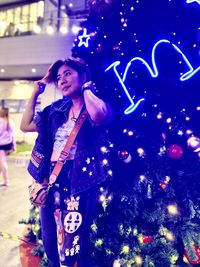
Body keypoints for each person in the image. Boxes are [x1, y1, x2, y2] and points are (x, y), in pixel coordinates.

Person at [20, 57, 111, 267]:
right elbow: (25, 125)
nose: (62, 80)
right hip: (51, 177)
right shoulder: (55, 111)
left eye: (68, 73)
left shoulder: (93, 105)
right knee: (51, 242)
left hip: (80, 179)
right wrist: (35, 93)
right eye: (59, 77)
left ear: (82, 75)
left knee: (76, 245)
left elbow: (99, 116)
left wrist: (87, 88)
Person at [0, 107, 16, 186]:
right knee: (1, 162)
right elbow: (13, 135)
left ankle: (6, 181)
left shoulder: (0, 121)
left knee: (2, 162)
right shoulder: (10, 121)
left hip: (1, 145)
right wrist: (14, 146)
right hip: (8, 144)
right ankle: (5, 180)